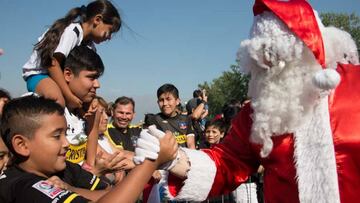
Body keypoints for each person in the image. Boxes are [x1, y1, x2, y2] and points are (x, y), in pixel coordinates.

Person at [135, 1, 360, 203]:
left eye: (280, 59)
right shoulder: (259, 111)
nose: (270, 72)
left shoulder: (355, 85)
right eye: (262, 64)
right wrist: (174, 157)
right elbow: (226, 163)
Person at [0, 95, 178, 203]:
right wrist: (151, 163)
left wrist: (70, 189)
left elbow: (110, 192)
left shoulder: (66, 168)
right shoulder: (22, 187)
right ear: (21, 145)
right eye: (56, 136)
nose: (67, 144)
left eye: (65, 134)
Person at [22, 0, 121, 108]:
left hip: (58, 77)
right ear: (97, 20)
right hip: (40, 74)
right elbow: (52, 63)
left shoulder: (89, 46)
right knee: (57, 100)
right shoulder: (72, 32)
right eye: (109, 31)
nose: (109, 37)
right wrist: (68, 96)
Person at [145, 83, 196, 149]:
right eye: (161, 100)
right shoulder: (154, 120)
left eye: (168, 99)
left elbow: (191, 144)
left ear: (177, 101)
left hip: (186, 156)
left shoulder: (186, 120)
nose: (165, 104)